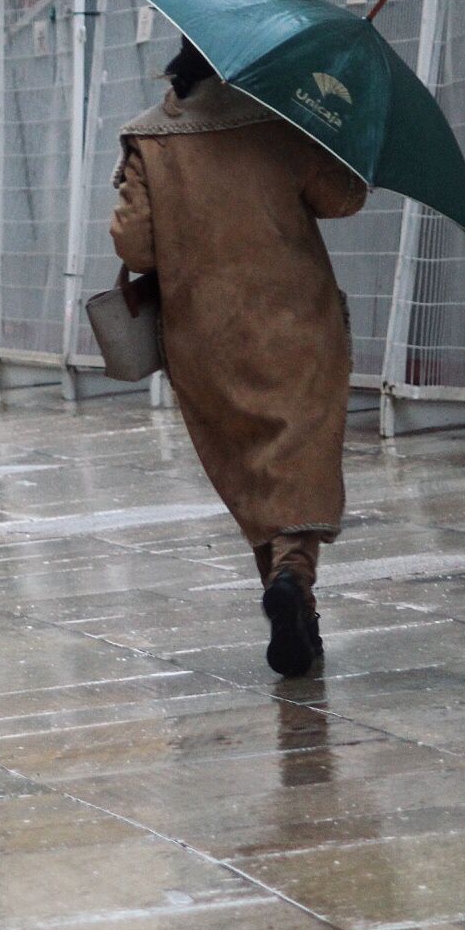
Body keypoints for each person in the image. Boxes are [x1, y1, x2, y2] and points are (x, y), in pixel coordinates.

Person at [109, 38, 367, 677]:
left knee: (254, 467)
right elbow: (343, 197)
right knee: (300, 456)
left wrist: (131, 184)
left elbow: (136, 249)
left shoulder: (150, 139)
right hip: (297, 321)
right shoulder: (278, 123)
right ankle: (292, 576)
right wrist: (334, 130)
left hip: (206, 335)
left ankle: (296, 611)